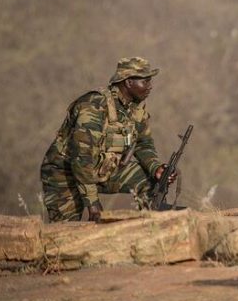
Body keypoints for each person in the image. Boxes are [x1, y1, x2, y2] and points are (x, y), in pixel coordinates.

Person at [40, 56, 175, 222]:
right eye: (145, 81)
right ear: (128, 82)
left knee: (150, 180)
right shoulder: (94, 106)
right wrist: (93, 203)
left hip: (102, 169)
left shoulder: (135, 109)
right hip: (64, 173)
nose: (150, 86)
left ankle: (152, 228)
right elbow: (82, 160)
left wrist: (156, 168)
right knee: (65, 232)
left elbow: (143, 144)